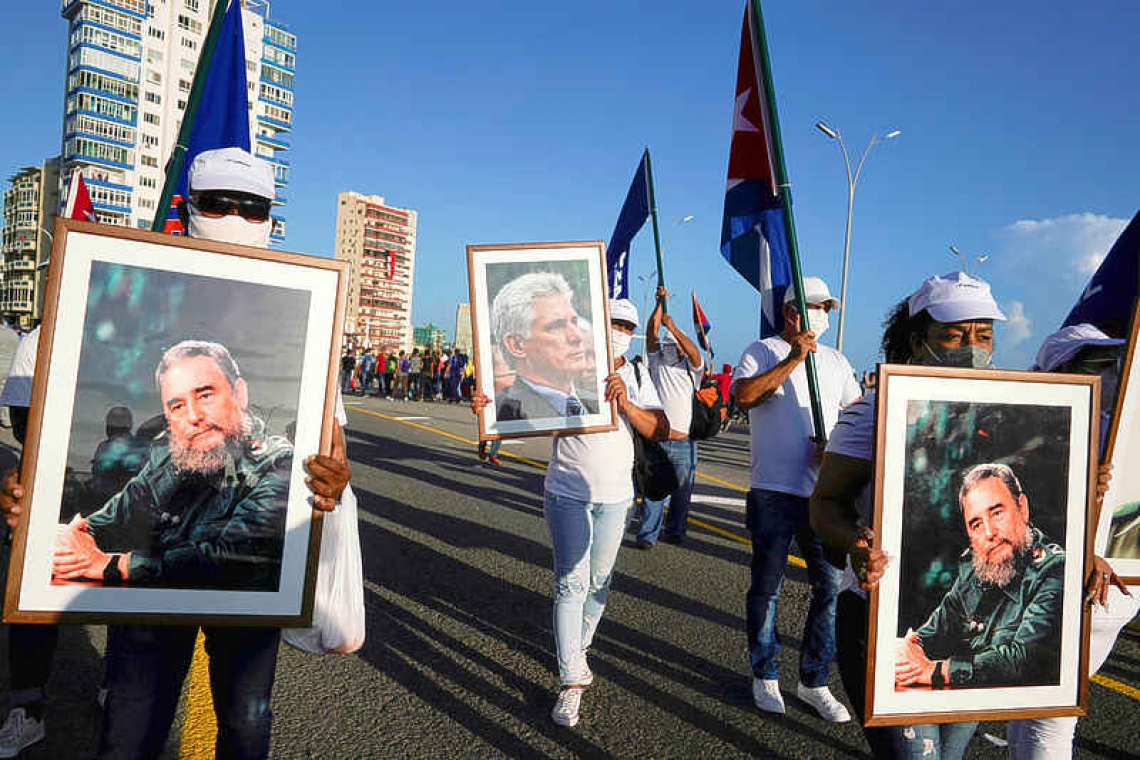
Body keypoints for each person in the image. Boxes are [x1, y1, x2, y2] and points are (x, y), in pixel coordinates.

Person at [0, 147, 352, 760]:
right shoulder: (167, 450)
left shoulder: (298, 335)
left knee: (244, 725)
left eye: (253, 207)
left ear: (240, 393)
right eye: (219, 203)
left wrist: (331, 475)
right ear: (187, 207)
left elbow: (319, 458)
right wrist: (48, 526)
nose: (236, 217)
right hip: (151, 605)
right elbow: (113, 509)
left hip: (244, 595)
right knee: (130, 725)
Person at [810, 270, 1009, 758]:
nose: (972, 346)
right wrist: (856, 543)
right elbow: (825, 503)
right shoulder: (874, 412)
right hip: (889, 620)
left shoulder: (1010, 413)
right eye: (954, 333)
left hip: (977, 628)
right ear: (919, 340)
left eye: (983, 334)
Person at [472, 298, 668, 728]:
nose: (618, 328)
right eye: (612, 321)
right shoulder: (567, 367)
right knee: (570, 583)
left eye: (625, 324)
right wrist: (491, 411)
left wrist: (626, 403)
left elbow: (660, 427)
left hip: (617, 496)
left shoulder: (636, 374)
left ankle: (576, 649)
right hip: (566, 491)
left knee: (600, 581)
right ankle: (570, 681)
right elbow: (522, 408)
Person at [53, 341, 294, 591]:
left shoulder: (278, 463)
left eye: (205, 395)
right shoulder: (168, 457)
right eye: (177, 406)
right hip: (156, 617)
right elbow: (115, 516)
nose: (193, 416)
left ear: (239, 394)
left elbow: (234, 558)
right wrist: (70, 540)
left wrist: (113, 565)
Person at [1002, 324, 1139, 759]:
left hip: (1095, 589)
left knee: (1048, 720)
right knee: (1037, 713)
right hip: (1073, 584)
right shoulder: (1043, 429)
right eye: (1093, 364)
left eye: (1109, 363)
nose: (1108, 372)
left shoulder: (1111, 430)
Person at [730, 276, 860, 721]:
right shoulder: (761, 351)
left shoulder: (838, 361)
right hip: (774, 493)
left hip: (823, 494)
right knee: (767, 588)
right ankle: (764, 675)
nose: (824, 313)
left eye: (828, 307)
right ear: (792, 312)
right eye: (817, 306)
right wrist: (792, 359)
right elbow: (743, 396)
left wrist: (837, 446)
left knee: (829, 588)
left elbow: (856, 419)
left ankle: (814, 681)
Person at [894, 463, 1064, 689]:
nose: (989, 533)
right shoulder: (975, 568)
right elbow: (935, 630)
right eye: (976, 524)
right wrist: (908, 651)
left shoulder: (1054, 569)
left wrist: (933, 671)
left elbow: (1020, 660)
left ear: (1022, 507)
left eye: (997, 513)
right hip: (974, 698)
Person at [634, 286, 704, 548]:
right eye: (667, 345)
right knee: (654, 489)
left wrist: (674, 329)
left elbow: (696, 353)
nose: (668, 348)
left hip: (684, 441)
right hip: (659, 437)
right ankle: (647, 535)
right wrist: (659, 303)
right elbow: (652, 332)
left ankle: (675, 531)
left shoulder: (691, 368)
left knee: (682, 492)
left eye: (673, 345)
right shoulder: (657, 362)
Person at [490, 272, 599, 421]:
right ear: (516, 345)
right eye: (556, 326)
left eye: (574, 322)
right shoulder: (505, 410)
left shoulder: (597, 404)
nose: (577, 336)